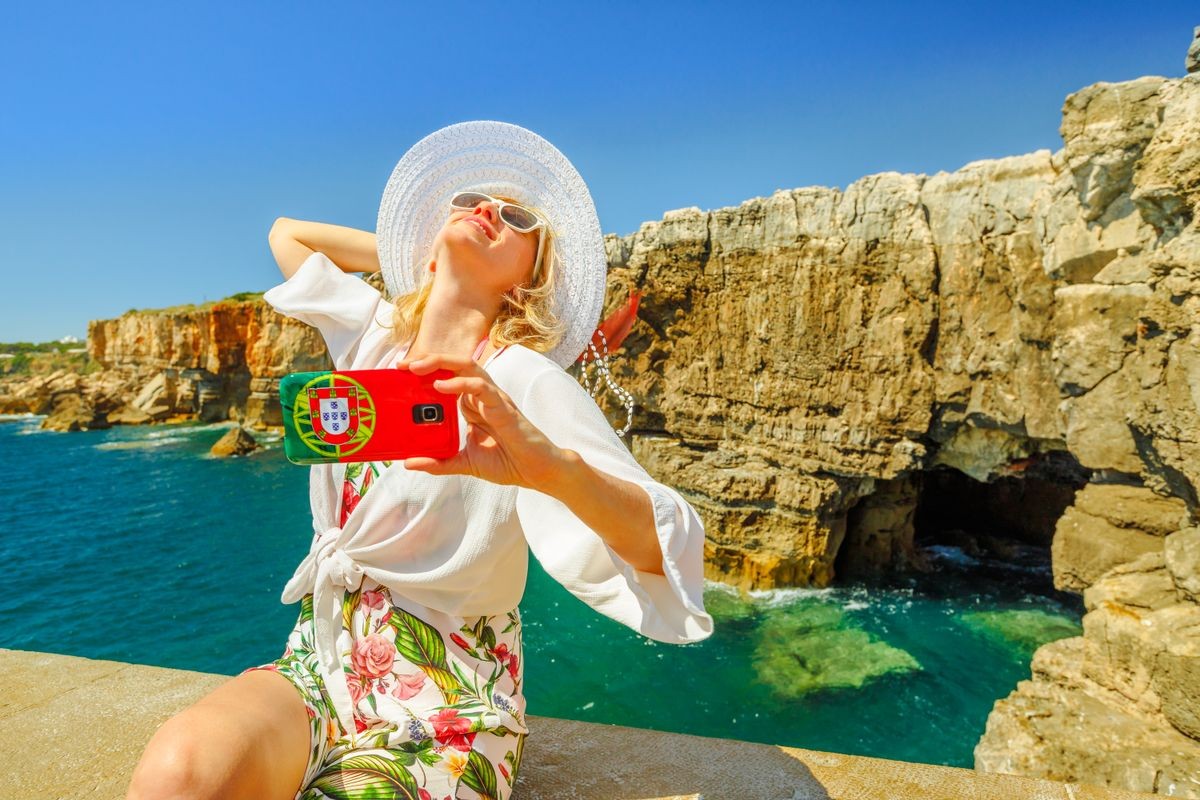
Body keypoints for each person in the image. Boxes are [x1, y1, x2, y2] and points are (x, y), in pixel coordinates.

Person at [125, 120, 714, 800]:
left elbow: (660, 547)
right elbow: (286, 232)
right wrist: (421, 253)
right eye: (467, 203)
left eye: (516, 217)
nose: (486, 210)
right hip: (322, 661)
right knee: (180, 771)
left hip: (450, 701)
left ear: (529, 282)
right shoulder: (371, 332)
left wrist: (549, 469)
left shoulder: (520, 381)